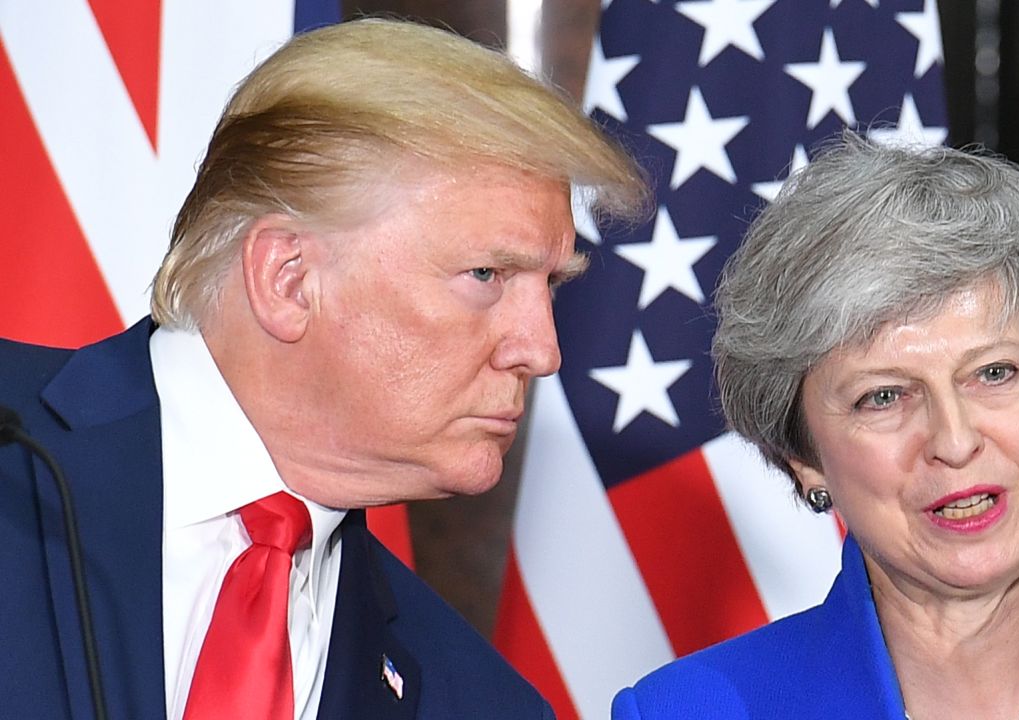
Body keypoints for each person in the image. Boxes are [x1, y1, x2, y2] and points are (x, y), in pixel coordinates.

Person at [0, 17, 644, 720]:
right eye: (487, 273)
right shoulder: (16, 455)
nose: (542, 350)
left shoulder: (480, 702)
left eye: (549, 286)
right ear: (288, 277)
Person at [611, 134, 1019, 719]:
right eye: (884, 398)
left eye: (993, 374)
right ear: (803, 456)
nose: (956, 442)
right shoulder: (691, 709)